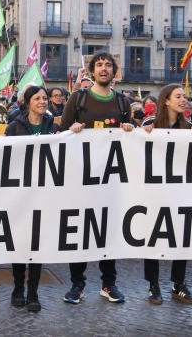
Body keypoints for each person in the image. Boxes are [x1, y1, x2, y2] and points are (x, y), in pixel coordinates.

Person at [60, 52, 134, 305]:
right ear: (92, 70)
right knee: (80, 231)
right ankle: (77, 284)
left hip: (111, 182)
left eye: (108, 65)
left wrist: (130, 130)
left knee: (108, 232)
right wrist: (71, 130)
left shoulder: (123, 103)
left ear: (115, 71)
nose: (104, 69)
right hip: (81, 181)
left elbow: (132, 143)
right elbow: (61, 136)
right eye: (99, 65)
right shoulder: (78, 99)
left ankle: (108, 283)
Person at [141, 84, 192, 306]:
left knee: (181, 238)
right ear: (166, 100)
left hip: (181, 192)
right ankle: (153, 284)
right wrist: (138, 134)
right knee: (153, 237)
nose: (183, 99)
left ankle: (178, 284)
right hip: (154, 192)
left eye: (184, 96)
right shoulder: (149, 125)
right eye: (178, 96)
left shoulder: (190, 127)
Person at [4, 85, 58, 312]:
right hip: (20, 195)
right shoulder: (14, 127)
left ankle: (33, 291)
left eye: (45, 98)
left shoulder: (53, 126)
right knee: (20, 243)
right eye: (37, 98)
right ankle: (18, 287)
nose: (43, 102)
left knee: (37, 244)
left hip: (44, 193)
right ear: (27, 102)